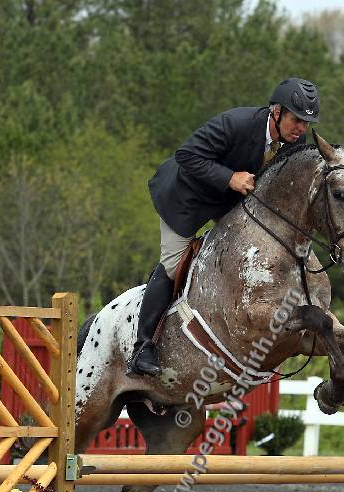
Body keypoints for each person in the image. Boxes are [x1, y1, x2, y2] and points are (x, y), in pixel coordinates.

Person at [126, 77, 320, 378]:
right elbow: (187, 155)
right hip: (187, 196)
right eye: (297, 120)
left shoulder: (295, 143)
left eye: (306, 123)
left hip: (229, 201)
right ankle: (142, 347)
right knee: (173, 264)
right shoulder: (236, 123)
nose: (301, 129)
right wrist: (230, 178)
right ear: (277, 112)